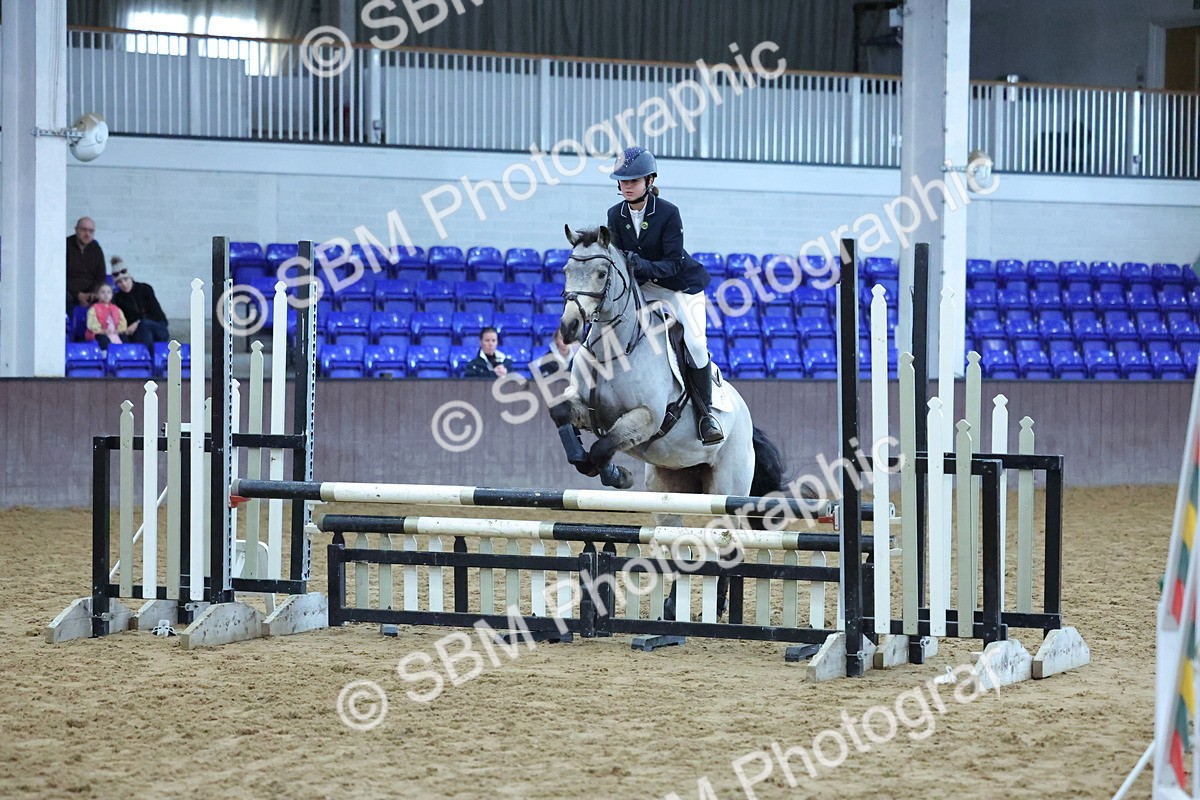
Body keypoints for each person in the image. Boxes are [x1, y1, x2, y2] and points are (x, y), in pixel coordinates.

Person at [606, 145, 722, 445]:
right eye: (623, 181)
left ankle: (705, 414)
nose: (627, 186)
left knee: (696, 343)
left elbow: (673, 264)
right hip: (642, 286)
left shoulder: (668, 213)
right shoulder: (615, 214)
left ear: (649, 181)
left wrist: (640, 264)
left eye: (633, 180)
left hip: (679, 287)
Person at [111, 257, 171, 345]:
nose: (124, 284)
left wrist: (138, 323)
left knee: (144, 325)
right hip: (137, 333)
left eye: (126, 279)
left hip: (158, 327)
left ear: (131, 278)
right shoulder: (117, 298)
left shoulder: (145, 289)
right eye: (119, 282)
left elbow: (158, 316)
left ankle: (150, 356)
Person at [66, 217, 106, 310]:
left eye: (91, 231)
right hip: (70, 292)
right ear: (76, 230)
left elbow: (101, 277)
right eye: (84, 230)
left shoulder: (96, 249)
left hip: (91, 292)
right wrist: (78, 295)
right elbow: (59, 277)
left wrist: (94, 293)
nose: (87, 234)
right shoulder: (65, 245)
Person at [86, 282, 128, 350]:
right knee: (102, 338)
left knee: (124, 338)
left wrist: (119, 330)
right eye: (103, 292)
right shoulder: (94, 309)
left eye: (109, 292)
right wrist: (102, 331)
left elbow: (122, 322)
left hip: (114, 333)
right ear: (97, 295)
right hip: (99, 333)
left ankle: (124, 354)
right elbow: (92, 324)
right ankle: (106, 353)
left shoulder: (116, 309)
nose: (106, 295)